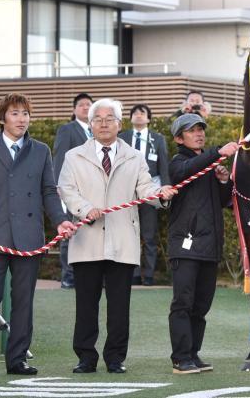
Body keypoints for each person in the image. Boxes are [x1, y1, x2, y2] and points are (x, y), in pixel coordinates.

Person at [58, 98, 177, 374]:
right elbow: (66, 188)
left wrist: (161, 196)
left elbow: (145, 188)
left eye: (109, 118)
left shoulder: (134, 157)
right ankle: (86, 357)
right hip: (87, 239)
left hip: (122, 239)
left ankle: (115, 358)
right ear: (90, 125)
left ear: (119, 124)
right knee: (86, 303)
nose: (103, 123)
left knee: (119, 305)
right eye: (97, 119)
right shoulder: (74, 156)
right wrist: (85, 209)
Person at [0, 93, 77, 377]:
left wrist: (61, 221)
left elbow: (49, 192)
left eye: (26, 114)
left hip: (29, 238)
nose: (22, 119)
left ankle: (17, 359)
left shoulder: (40, 150)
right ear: (2, 118)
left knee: (23, 302)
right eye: (15, 113)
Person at [166, 113, 239, 374]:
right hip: (185, 246)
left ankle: (193, 355)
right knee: (183, 302)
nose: (199, 134)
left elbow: (220, 202)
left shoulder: (206, 165)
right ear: (179, 138)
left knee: (201, 306)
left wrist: (222, 180)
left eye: (201, 129)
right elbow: (183, 173)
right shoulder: (179, 162)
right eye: (192, 130)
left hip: (209, 247)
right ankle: (180, 358)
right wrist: (217, 153)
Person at [120, 104, 170, 286]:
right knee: (129, 233)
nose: (139, 115)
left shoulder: (158, 138)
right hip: (125, 192)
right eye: (135, 113)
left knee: (149, 234)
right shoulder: (122, 137)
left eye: (143, 113)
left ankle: (148, 275)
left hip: (150, 190)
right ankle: (132, 273)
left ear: (149, 118)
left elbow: (164, 163)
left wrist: (165, 187)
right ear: (130, 118)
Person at [53, 92, 94, 289]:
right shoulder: (67, 129)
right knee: (71, 229)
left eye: (89, 105)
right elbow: (60, 156)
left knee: (93, 232)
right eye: (82, 105)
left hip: (95, 189)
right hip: (72, 189)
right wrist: (59, 185)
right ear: (74, 109)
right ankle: (68, 275)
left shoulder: (99, 130)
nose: (86, 107)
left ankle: (92, 275)